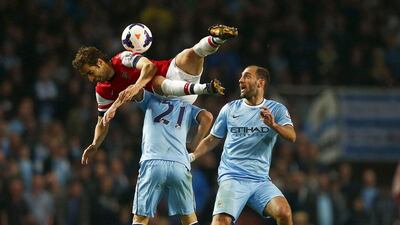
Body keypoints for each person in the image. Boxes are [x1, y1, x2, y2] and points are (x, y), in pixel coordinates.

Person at [72, 24, 237, 157]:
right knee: (156, 84)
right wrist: (95, 144)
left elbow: (149, 66)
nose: (91, 79)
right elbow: (102, 122)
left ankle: (217, 38)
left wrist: (136, 85)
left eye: (90, 73)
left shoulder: (122, 59)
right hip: (165, 93)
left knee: (190, 54)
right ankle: (205, 89)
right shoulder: (102, 91)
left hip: (172, 73)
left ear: (100, 63)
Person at [84, 87, 213, 225]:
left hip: (152, 162)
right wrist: (193, 145)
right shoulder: (187, 106)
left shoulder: (152, 99)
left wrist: (117, 101)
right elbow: (208, 117)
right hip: (179, 164)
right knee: (189, 219)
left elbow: (134, 90)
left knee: (140, 218)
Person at [190, 65, 296, 225]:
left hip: (260, 180)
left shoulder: (276, 109)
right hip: (232, 177)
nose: (240, 80)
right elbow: (212, 139)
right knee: (221, 222)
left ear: (260, 83)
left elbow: (292, 136)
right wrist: (191, 156)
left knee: (284, 212)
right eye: (241, 77)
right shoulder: (230, 108)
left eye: (247, 76)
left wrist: (274, 125)